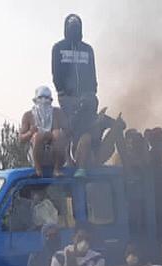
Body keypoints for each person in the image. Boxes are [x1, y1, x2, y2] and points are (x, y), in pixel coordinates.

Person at [51, 13, 97, 141]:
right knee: (72, 124)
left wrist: (92, 91)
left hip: (86, 95)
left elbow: (93, 72)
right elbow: (55, 72)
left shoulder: (88, 49)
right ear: (66, 28)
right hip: (67, 96)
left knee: (90, 123)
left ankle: (92, 144)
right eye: (71, 27)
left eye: (76, 27)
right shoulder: (58, 48)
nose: (74, 30)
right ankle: (68, 148)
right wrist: (62, 91)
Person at [20, 85, 67, 177]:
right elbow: (21, 138)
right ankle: (38, 170)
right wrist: (30, 132)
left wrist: (56, 134)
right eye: (40, 98)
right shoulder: (28, 115)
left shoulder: (57, 113)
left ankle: (57, 170)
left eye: (46, 98)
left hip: (55, 153)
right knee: (37, 136)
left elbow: (68, 132)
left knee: (57, 134)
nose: (44, 101)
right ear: (35, 100)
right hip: (36, 154)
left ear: (51, 100)